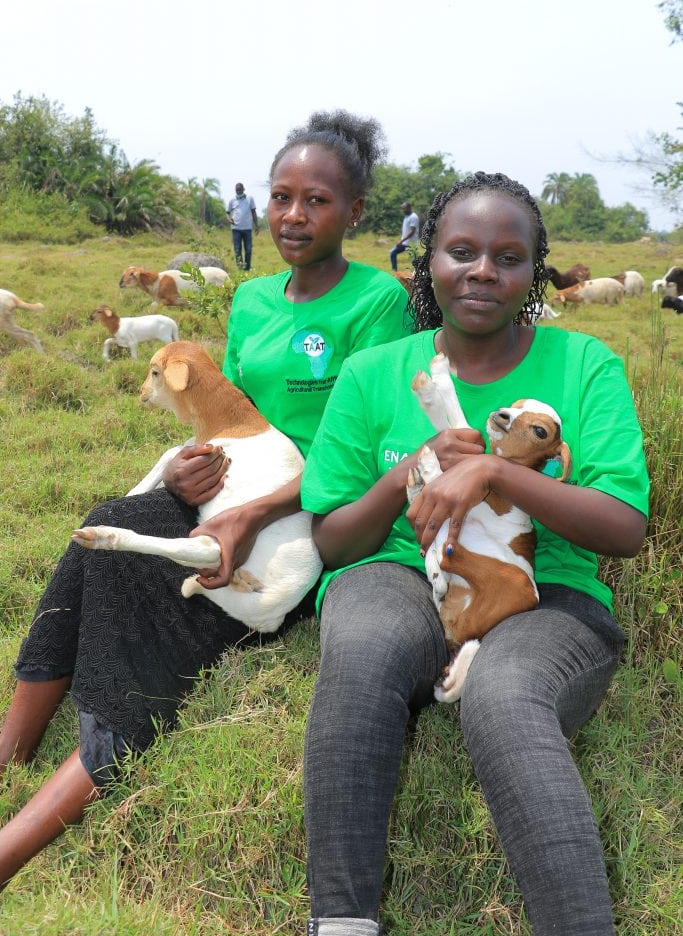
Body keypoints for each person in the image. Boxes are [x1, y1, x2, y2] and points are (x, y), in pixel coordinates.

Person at [0, 110, 413, 890]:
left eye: (317, 201)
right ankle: (11, 754)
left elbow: (362, 452)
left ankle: (14, 845)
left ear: (355, 211)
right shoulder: (253, 300)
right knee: (103, 526)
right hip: (233, 486)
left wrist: (251, 513)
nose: (293, 216)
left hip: (308, 518)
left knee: (151, 623)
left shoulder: (376, 303)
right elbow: (225, 413)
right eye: (281, 197)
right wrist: (193, 467)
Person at [300, 172, 649, 936]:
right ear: (428, 262)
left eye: (508, 256)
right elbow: (331, 541)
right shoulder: (372, 373)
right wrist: (414, 469)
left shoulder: (583, 364)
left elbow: (622, 529)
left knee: (503, 691)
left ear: (533, 272)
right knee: (360, 653)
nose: (483, 271)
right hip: (396, 568)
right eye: (461, 251)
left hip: (543, 592)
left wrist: (493, 472)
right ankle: (342, 922)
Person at [227, 182, 259, 270]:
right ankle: (240, 267)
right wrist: (229, 219)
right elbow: (227, 213)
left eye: (239, 190)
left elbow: (253, 212)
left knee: (248, 249)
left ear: (243, 189)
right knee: (237, 249)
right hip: (236, 229)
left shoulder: (249, 199)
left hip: (247, 229)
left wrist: (256, 226)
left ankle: (247, 268)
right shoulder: (232, 200)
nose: (238, 191)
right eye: (236, 190)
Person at [389, 200, 420, 271]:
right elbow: (406, 230)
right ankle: (395, 272)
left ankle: (417, 274)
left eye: (404, 208)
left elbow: (412, 231)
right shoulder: (406, 216)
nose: (403, 210)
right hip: (405, 243)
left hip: (411, 243)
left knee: (414, 260)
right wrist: (402, 241)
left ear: (409, 207)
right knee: (392, 252)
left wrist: (401, 241)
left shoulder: (413, 217)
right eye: (402, 208)